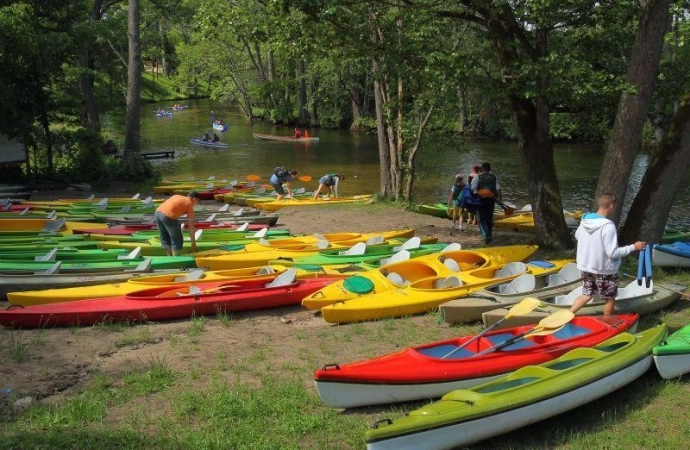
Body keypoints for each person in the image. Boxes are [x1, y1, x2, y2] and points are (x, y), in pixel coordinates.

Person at [569, 193, 645, 316]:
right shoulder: (608, 226)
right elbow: (613, 253)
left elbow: (577, 236)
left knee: (587, 294)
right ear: (611, 206)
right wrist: (633, 247)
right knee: (609, 298)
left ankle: (568, 314)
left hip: (585, 266)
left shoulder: (585, 220)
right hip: (603, 270)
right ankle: (608, 324)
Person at [154, 191, 200, 256]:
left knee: (165, 239)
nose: (195, 204)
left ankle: (170, 259)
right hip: (168, 216)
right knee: (177, 240)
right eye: (197, 202)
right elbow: (191, 226)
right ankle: (176, 259)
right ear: (195, 199)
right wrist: (193, 244)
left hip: (157, 213)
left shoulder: (177, 196)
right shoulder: (189, 204)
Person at [470, 162, 502, 244]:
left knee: (481, 219)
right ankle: (489, 235)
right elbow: (498, 189)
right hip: (491, 201)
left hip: (480, 201)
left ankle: (486, 235)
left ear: (482, 169)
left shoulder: (477, 177)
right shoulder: (493, 177)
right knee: (489, 217)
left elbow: (472, 188)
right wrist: (500, 200)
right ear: (489, 169)